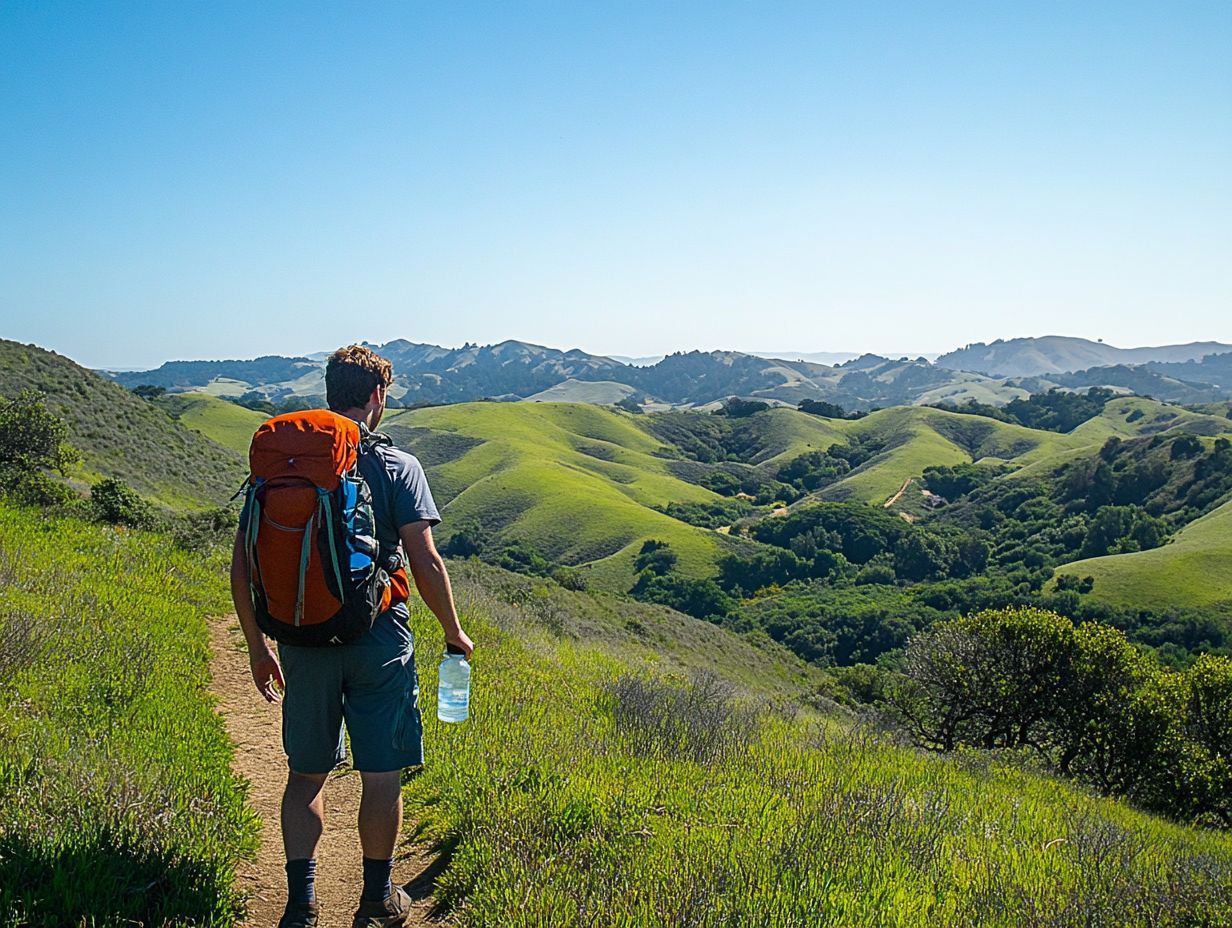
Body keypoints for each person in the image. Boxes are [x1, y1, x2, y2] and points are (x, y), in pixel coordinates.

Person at [230, 344, 474, 928]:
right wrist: (454, 633)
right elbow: (426, 562)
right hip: (379, 639)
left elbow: (243, 566)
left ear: (329, 393)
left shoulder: (281, 464)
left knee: (306, 774)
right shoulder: (397, 467)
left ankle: (300, 905)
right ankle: (375, 902)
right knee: (381, 775)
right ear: (377, 398)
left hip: (301, 635)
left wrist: (259, 648)